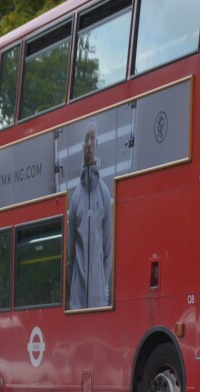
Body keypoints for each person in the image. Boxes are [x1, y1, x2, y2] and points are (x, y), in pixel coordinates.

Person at [66, 122, 113, 310]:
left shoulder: (104, 193)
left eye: (92, 138)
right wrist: (74, 287)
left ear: (97, 145)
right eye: (86, 138)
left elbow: (108, 251)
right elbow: (70, 255)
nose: (89, 143)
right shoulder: (75, 197)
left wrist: (101, 287)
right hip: (77, 302)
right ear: (82, 147)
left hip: (98, 301)